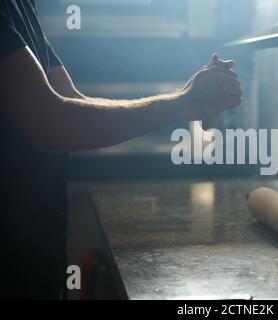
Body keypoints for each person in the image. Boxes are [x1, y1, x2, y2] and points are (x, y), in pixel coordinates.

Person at [0, 0, 243, 299]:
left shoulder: (22, 4)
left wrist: (184, 99)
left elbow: (70, 98)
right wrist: (185, 103)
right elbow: (50, 121)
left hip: (38, 252)